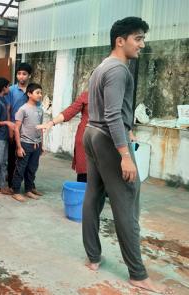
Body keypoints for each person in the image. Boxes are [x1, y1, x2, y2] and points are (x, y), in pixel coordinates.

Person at [82, 17, 173, 294]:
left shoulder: (101, 67)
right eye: (138, 38)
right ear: (120, 41)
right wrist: (124, 154)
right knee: (127, 202)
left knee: (93, 196)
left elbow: (110, 110)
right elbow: (112, 113)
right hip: (109, 140)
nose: (142, 45)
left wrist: (127, 130)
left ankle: (93, 257)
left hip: (92, 132)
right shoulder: (119, 70)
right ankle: (138, 273)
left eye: (142, 38)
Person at [37, 91, 89, 182]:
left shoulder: (115, 95)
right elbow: (69, 112)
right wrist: (51, 123)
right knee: (85, 175)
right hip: (86, 138)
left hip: (105, 140)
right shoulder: (87, 95)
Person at [11, 83, 44, 202]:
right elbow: (16, 128)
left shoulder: (40, 110)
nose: (40, 95)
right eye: (37, 93)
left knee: (32, 168)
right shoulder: (23, 109)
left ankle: (29, 189)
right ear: (29, 94)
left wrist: (41, 144)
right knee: (21, 168)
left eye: (40, 92)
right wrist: (19, 147)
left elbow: (41, 128)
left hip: (36, 144)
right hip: (25, 143)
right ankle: (15, 191)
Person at [5, 63, 33, 190]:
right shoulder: (11, 90)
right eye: (19, 73)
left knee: (27, 158)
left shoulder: (32, 91)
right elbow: (8, 109)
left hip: (28, 130)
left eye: (24, 74)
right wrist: (10, 128)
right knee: (12, 157)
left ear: (29, 76)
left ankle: (29, 185)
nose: (21, 76)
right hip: (14, 128)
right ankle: (11, 183)